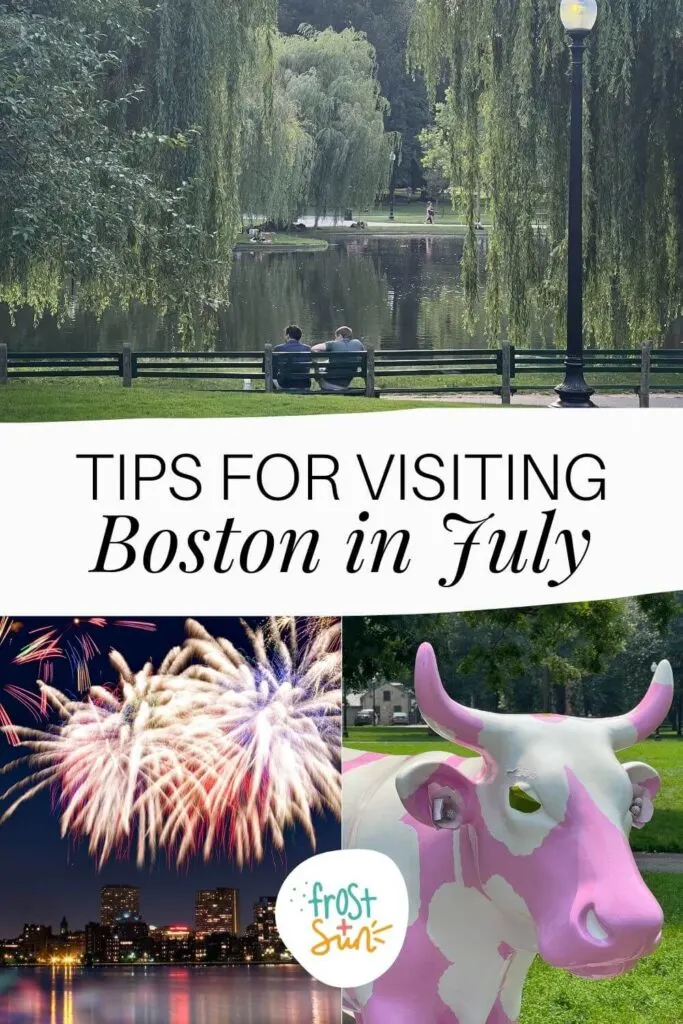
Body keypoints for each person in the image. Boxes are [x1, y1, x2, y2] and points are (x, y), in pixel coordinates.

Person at [311, 326, 366, 391]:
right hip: (345, 385)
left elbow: (313, 348)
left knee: (319, 370)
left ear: (340, 336)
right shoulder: (358, 343)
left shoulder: (333, 344)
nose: (335, 339)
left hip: (328, 384)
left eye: (336, 337)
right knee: (323, 368)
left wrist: (323, 351)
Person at [272, 325, 312, 391]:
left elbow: (271, 368)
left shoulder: (278, 348)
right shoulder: (307, 348)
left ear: (288, 335)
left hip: (284, 384)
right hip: (304, 384)